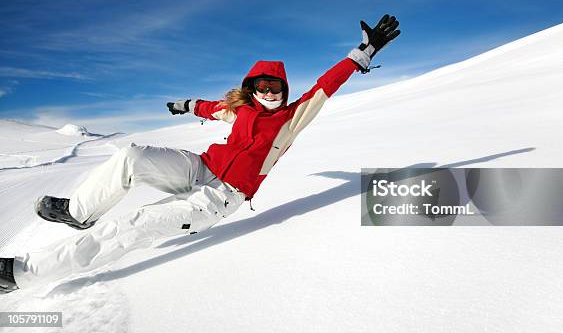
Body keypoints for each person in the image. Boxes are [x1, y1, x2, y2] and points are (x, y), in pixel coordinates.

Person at [0, 15, 400, 294]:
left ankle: (21, 274)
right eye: (263, 84)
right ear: (252, 86)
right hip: (199, 168)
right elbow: (210, 107)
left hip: (220, 195)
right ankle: (78, 212)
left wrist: (361, 54)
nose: (272, 91)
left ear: (285, 89)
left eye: (277, 86)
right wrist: (185, 104)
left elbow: (325, 86)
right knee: (131, 156)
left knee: (132, 226)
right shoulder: (241, 110)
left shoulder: (291, 119)